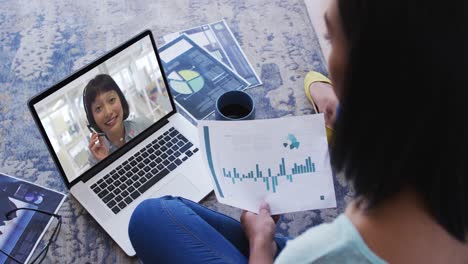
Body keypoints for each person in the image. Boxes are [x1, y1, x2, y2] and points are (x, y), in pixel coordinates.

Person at [127, 0, 468, 263]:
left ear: (369, 73)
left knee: (149, 218)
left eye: (331, 39)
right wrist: (333, 98)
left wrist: (262, 246)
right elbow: (315, 81)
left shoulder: (319, 252)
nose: (328, 57)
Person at [83, 74, 152, 164]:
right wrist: (106, 162)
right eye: (98, 108)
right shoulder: (95, 157)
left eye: (111, 100)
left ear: (121, 100)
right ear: (92, 119)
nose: (108, 112)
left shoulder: (144, 125)